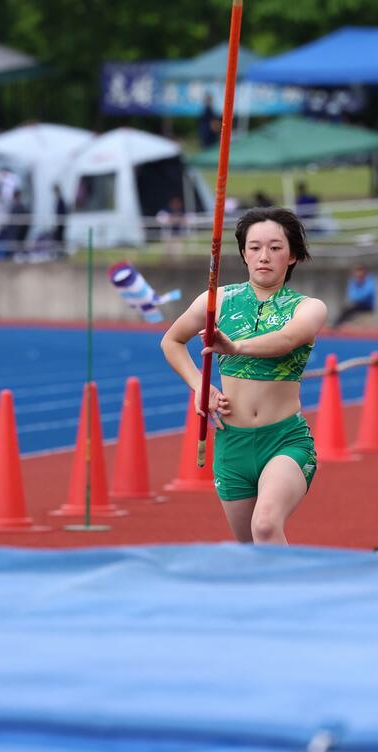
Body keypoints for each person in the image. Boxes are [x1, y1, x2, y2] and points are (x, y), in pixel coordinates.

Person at [161, 207, 327, 545]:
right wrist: (200, 385)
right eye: (254, 247)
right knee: (250, 552)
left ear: (292, 256)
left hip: (284, 441)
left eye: (275, 248)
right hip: (231, 445)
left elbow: (287, 340)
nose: (264, 256)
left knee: (265, 525)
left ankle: (293, 598)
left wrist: (235, 347)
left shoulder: (307, 307)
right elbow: (172, 341)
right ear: (243, 253)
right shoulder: (217, 300)